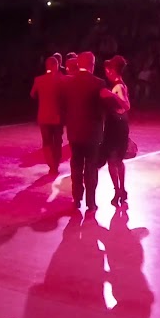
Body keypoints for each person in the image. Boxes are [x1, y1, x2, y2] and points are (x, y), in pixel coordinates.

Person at [59, 51, 107, 210]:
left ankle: (76, 198)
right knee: (91, 167)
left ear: (78, 64)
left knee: (76, 165)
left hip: (74, 132)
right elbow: (102, 109)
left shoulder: (68, 82)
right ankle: (91, 202)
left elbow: (64, 107)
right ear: (92, 64)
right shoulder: (98, 83)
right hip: (92, 133)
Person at [100, 55, 133, 206]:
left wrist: (111, 94)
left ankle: (118, 190)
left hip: (116, 126)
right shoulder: (121, 85)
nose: (107, 73)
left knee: (113, 161)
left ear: (112, 70)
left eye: (108, 70)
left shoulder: (118, 87)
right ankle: (121, 189)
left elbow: (126, 106)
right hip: (120, 125)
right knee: (118, 161)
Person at [29, 55, 66, 173]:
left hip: (43, 116)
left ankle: (51, 165)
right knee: (57, 141)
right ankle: (56, 163)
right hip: (57, 116)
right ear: (57, 66)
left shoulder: (38, 80)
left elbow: (32, 94)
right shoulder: (61, 79)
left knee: (47, 142)